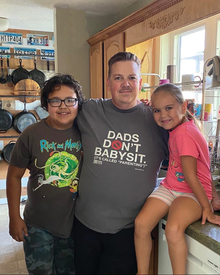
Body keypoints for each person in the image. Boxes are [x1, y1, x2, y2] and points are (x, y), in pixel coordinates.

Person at [73, 51, 169, 275]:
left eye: (132, 78)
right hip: (84, 223)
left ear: (141, 83)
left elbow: (189, 151)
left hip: (129, 231)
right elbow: (59, 114)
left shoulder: (157, 120)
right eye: (118, 78)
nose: (125, 84)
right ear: (108, 83)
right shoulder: (88, 110)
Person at [134, 83, 220, 275]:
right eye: (157, 110)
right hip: (172, 186)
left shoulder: (184, 134)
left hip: (192, 192)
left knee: (173, 229)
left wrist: (208, 207)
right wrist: (214, 196)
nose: (163, 115)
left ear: (183, 107)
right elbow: (205, 167)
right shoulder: (179, 128)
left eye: (169, 108)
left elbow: (191, 176)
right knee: (141, 224)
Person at [6, 74, 84, 275]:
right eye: (55, 100)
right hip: (37, 225)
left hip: (75, 224)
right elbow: (14, 176)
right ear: (46, 104)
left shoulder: (87, 132)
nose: (63, 106)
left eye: (70, 100)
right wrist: (14, 216)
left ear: (78, 103)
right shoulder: (30, 134)